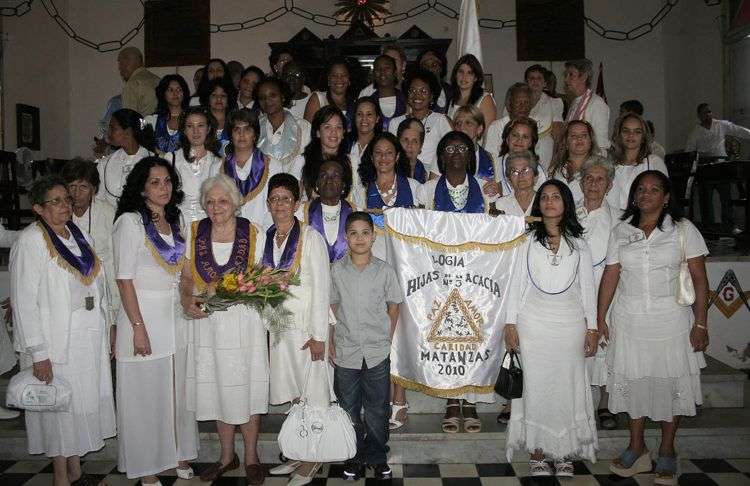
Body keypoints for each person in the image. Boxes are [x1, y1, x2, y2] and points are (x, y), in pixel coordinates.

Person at [598, 171, 709, 485]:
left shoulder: (683, 230)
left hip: (671, 320)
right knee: (635, 385)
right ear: (634, 196)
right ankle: (636, 448)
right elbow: (611, 276)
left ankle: (667, 451)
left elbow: (700, 281)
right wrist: (600, 317)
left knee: (670, 385)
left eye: (654, 189)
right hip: (629, 319)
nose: (647, 194)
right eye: (641, 189)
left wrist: (701, 322)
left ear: (666, 196)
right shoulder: (622, 231)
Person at [10, 176, 116, 486]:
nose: (64, 206)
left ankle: (76, 472)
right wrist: (38, 353)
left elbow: (100, 285)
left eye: (66, 200)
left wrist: (109, 324)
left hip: (88, 336)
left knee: (80, 406)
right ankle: (61, 478)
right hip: (58, 342)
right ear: (38, 208)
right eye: (55, 201)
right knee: (60, 408)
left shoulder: (79, 236)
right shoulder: (30, 241)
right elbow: (24, 302)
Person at [504, 179, 599, 476]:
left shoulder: (580, 244)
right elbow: (515, 283)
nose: (549, 201)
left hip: (570, 326)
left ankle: (564, 451)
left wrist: (593, 327)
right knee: (536, 388)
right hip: (533, 325)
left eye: (556, 196)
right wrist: (510, 322)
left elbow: (587, 289)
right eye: (544, 197)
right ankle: (538, 452)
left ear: (566, 203)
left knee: (566, 388)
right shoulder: (525, 241)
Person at [113, 157, 198, 483]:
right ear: (142, 187)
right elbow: (124, 280)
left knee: (173, 394)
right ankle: (146, 467)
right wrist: (137, 328)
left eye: (167, 181)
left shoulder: (174, 222)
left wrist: (189, 298)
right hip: (142, 319)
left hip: (172, 318)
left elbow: (185, 274)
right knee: (144, 397)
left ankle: (173, 454)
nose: (163, 188)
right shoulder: (131, 223)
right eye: (155, 182)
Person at [179, 174, 268, 485]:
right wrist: (185, 298)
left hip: (243, 322)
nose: (216, 207)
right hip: (208, 323)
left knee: (247, 390)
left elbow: (262, 278)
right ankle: (226, 457)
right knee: (218, 388)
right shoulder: (195, 231)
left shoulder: (253, 233)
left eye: (222, 201)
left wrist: (234, 290)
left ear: (235, 204)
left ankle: (252, 458)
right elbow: (187, 274)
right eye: (210, 201)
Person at [416, 131, 495, 433]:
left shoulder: (488, 193)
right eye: (450, 148)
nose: (457, 152)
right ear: (441, 156)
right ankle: (451, 399)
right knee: (447, 340)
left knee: (473, 338)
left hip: (476, 278)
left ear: (471, 155)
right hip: (440, 277)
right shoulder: (426, 191)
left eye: (463, 147)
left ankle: (470, 399)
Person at [265, 173, 332, 485]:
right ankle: (297, 451)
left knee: (313, 394)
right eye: (275, 199)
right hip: (280, 330)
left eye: (286, 199)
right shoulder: (268, 237)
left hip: (307, 332)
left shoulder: (311, 237)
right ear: (268, 203)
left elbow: (321, 289)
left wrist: (319, 336)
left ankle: (312, 459)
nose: (280, 204)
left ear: (297, 204)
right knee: (294, 396)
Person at [330, 211, 402, 481]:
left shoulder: (384, 270)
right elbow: (331, 305)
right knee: (348, 407)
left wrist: (387, 338)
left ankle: (377, 456)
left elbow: (394, 307)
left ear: (373, 236)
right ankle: (354, 456)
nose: (359, 238)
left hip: (376, 351)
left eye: (365, 233)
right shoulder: (337, 270)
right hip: (346, 350)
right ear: (346, 237)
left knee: (377, 408)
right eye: (353, 233)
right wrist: (331, 339)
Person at [576, 156, 622, 431]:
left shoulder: (621, 217)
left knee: (608, 347)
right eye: (588, 178)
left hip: (609, 292)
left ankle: (605, 403)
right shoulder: (568, 213)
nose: (593, 184)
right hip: (574, 294)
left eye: (600, 179)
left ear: (609, 184)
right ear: (581, 182)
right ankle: (578, 403)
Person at [62, 158, 119, 329]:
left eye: (83, 187)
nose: (76, 193)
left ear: (93, 190)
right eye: (72, 186)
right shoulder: (59, 213)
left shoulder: (108, 212)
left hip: (104, 281)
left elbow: (114, 258)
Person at [211, 109, 282, 230]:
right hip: (226, 235)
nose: (241, 134)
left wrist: (260, 235)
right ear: (230, 135)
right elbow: (213, 205)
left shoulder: (273, 166)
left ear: (255, 135)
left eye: (247, 129)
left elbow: (276, 206)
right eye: (236, 129)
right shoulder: (217, 167)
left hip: (262, 234)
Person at [358, 132, 421, 256]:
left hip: (407, 258)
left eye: (389, 153)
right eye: (378, 153)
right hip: (373, 258)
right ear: (371, 157)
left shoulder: (415, 187)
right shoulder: (361, 191)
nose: (383, 157)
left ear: (397, 156)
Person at [388, 70, 453, 179]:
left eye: (423, 91)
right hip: (401, 179)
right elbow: (391, 154)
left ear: (432, 96)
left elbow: (450, 153)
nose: (417, 95)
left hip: (433, 180)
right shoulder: (395, 123)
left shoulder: (440, 120)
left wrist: (432, 178)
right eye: (412, 90)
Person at [608, 112, 669, 210]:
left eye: (637, 132)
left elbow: (664, 196)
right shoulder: (609, 165)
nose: (631, 135)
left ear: (643, 138)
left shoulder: (653, 162)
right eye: (626, 131)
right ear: (619, 135)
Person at [172, 106, 222, 222]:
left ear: (208, 128)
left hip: (209, 226)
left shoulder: (218, 162)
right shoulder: (172, 159)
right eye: (190, 126)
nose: (195, 131)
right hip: (179, 225)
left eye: (200, 125)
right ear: (184, 130)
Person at [300, 158, 356, 264]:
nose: (329, 180)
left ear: (343, 185)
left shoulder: (356, 212)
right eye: (323, 175)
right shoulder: (301, 213)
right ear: (316, 184)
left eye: (335, 176)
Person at [96, 108, 154, 207]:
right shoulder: (104, 164)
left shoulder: (154, 162)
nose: (108, 132)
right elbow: (99, 200)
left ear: (128, 132)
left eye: (113, 128)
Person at [256, 77, 312, 173]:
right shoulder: (254, 126)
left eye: (272, 95)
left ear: (283, 97)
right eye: (262, 97)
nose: (267, 100)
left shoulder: (303, 127)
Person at [299, 106, 349, 200]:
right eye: (327, 127)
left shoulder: (352, 162)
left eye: (338, 127)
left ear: (343, 133)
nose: (334, 132)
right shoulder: (301, 161)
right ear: (318, 132)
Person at [563, 58, 610, 151]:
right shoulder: (575, 102)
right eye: (566, 75)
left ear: (584, 77)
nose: (566, 79)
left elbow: (601, 144)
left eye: (571, 75)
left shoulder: (596, 104)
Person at [548, 120, 599, 203]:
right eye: (574, 136)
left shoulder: (601, 170)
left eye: (584, 135)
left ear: (591, 142)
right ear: (566, 143)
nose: (579, 139)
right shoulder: (554, 170)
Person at [453, 105, 499, 196]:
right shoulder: (444, 155)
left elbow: (498, 191)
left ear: (479, 129)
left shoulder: (492, 159)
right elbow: (433, 188)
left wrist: (495, 189)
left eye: (468, 123)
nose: (462, 127)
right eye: (458, 123)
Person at [496, 117, 548, 197]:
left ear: (531, 143)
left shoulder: (539, 171)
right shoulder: (493, 165)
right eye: (515, 135)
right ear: (507, 139)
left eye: (525, 137)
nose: (519, 140)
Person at [525, 64, 564, 169]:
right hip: (523, 149)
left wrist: (555, 159)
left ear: (545, 82)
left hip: (545, 150)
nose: (535, 81)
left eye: (539, 78)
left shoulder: (555, 102)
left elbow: (558, 135)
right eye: (532, 78)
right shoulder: (519, 102)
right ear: (526, 82)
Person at [484, 83, 533, 159]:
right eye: (518, 102)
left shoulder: (532, 126)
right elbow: (491, 159)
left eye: (526, 102)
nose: (523, 107)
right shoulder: (496, 127)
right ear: (509, 105)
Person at [348, 97, 383, 205]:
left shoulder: (383, 146)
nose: (364, 119)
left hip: (373, 204)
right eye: (359, 114)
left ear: (377, 118)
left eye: (369, 114)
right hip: (346, 204)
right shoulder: (345, 144)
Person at [145, 74, 190, 155]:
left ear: (184, 93)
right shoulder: (152, 120)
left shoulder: (192, 119)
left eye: (179, 90)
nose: (175, 93)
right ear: (163, 94)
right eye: (170, 90)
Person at [447, 54, 497, 126]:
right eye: (461, 72)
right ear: (455, 75)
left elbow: (488, 133)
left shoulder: (485, 99)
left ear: (476, 77)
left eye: (469, 73)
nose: (464, 77)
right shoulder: (451, 99)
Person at [304, 58, 355, 127]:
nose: (339, 79)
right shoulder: (318, 98)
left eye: (343, 75)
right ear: (328, 80)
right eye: (334, 75)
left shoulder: (353, 103)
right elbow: (306, 132)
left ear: (349, 80)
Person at [686, 102, 750, 157]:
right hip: (705, 164)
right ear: (699, 116)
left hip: (722, 161)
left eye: (709, 112)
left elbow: (739, 130)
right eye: (704, 113)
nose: (708, 115)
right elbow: (689, 151)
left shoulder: (720, 124)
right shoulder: (695, 133)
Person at [494, 150, 540, 218]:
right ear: (509, 180)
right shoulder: (500, 205)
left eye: (525, 170)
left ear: (535, 176)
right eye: (515, 172)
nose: (520, 175)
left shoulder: (544, 202)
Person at [367, 55, 407, 131]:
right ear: (374, 74)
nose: (382, 71)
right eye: (378, 69)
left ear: (395, 72)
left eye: (387, 68)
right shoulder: (369, 102)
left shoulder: (406, 101)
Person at [118, 46, 159, 117]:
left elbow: (129, 119)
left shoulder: (132, 84)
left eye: (121, 64)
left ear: (127, 63)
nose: (119, 68)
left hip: (144, 126)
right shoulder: (157, 80)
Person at [200, 78, 237, 147]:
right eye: (214, 95)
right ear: (208, 98)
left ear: (228, 99)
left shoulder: (235, 121)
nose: (219, 99)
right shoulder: (200, 120)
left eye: (223, 95)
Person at [416, 48, 451, 113]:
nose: (430, 69)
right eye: (425, 66)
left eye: (434, 65)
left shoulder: (452, 91)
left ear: (441, 68)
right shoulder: (416, 94)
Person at [397, 117, 429, 183]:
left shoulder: (428, 174)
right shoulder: (388, 170)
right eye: (405, 140)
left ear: (421, 146)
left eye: (414, 141)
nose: (409, 145)